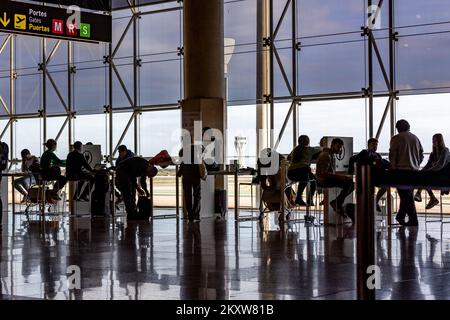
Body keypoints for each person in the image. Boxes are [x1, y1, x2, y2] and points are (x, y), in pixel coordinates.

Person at [389, 119, 424, 227]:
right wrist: (416, 163)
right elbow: (421, 155)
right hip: (414, 171)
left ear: (398, 128)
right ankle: (408, 218)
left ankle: (407, 218)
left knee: (405, 196)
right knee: (407, 196)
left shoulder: (396, 138)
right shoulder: (415, 138)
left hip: (401, 172)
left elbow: (392, 156)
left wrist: (393, 169)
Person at [316, 138, 355, 221]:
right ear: (332, 145)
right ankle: (337, 203)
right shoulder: (326, 156)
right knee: (349, 183)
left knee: (351, 184)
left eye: (340, 147)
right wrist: (340, 177)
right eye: (338, 147)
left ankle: (338, 203)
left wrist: (342, 176)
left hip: (326, 179)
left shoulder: (330, 155)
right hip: (323, 180)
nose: (340, 149)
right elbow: (324, 173)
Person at [349, 138, 390, 212]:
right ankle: (371, 205)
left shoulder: (377, 155)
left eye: (376, 145)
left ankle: (375, 202)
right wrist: (351, 173)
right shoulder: (365, 153)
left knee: (385, 186)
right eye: (373, 144)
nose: (375, 146)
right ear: (368, 145)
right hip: (368, 177)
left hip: (376, 177)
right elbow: (352, 159)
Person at [414, 134, 450, 210]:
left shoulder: (445, 151)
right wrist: (421, 172)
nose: (433, 142)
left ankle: (422, 194)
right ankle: (430, 197)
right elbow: (427, 166)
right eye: (433, 140)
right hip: (437, 175)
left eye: (435, 140)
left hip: (445, 176)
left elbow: (440, 165)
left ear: (440, 141)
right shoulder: (433, 154)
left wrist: (427, 172)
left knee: (425, 177)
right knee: (423, 176)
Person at [287, 135, 322, 206]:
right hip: (302, 171)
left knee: (305, 180)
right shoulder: (310, 150)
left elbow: (288, 158)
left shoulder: (295, 149)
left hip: (291, 173)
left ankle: (299, 199)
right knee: (313, 180)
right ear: (308, 142)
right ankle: (309, 199)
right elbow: (321, 150)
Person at [177, 144, 202, 223]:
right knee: (197, 195)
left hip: (186, 177)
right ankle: (195, 214)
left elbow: (181, 166)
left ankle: (190, 215)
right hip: (196, 176)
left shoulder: (183, 152)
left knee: (187, 196)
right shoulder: (196, 153)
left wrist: (179, 173)